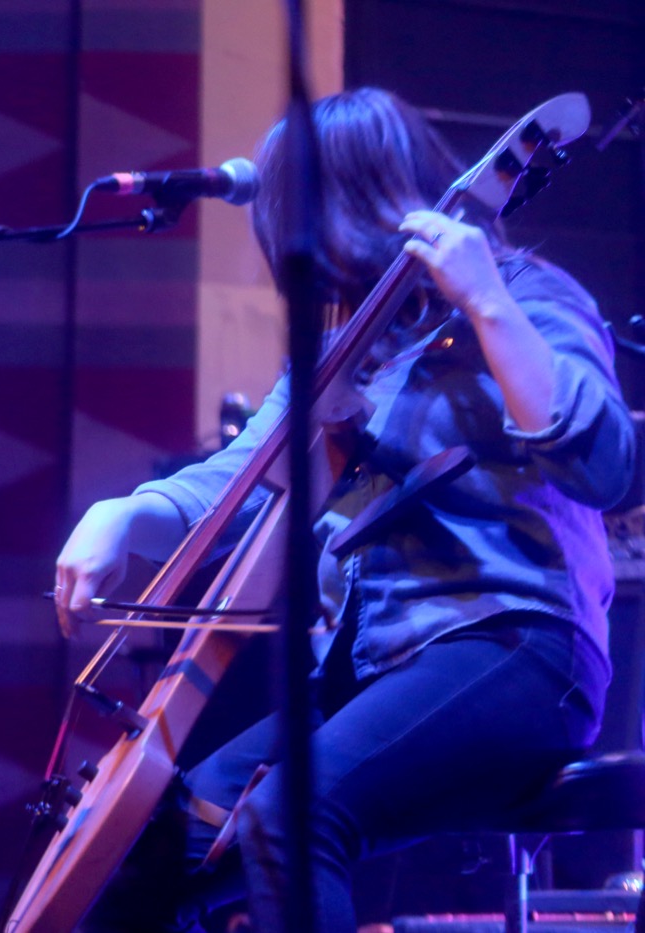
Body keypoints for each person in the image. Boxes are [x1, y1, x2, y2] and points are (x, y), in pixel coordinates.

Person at [52, 87, 637, 933]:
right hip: (370, 672)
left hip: (515, 648)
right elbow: (233, 482)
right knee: (147, 851)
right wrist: (124, 514)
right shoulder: (344, 357)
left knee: (289, 817)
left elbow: (606, 464)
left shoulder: (527, 295)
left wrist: (486, 302)